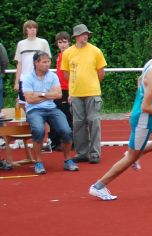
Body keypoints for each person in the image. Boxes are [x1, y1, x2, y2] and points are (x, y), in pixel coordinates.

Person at [89, 35, 152, 201]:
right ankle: (98, 186)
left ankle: (139, 152)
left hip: (146, 115)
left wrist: (135, 108)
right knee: (130, 158)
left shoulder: (151, 63)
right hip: (144, 119)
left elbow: (139, 81)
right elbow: (146, 106)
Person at [21, 52, 78, 174]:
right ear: (36, 63)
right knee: (38, 130)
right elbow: (30, 99)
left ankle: (68, 160)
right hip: (34, 110)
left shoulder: (53, 76)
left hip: (52, 108)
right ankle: (38, 162)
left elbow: (58, 95)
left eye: (48, 62)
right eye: (44, 62)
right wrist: (48, 95)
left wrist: (40, 94)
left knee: (66, 130)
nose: (47, 64)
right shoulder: (27, 78)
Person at [60, 24, 107, 164]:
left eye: (86, 34)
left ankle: (95, 153)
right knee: (78, 124)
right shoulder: (67, 53)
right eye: (82, 34)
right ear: (76, 36)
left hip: (92, 92)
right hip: (76, 93)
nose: (85, 36)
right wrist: (75, 86)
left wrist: (92, 83)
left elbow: (101, 73)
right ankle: (81, 153)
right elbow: (66, 73)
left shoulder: (96, 51)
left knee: (94, 121)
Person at [13, 20, 51, 107]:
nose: (33, 29)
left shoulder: (43, 42)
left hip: (40, 79)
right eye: (30, 28)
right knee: (23, 103)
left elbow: (48, 61)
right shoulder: (21, 44)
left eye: (34, 27)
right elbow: (19, 64)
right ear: (25, 30)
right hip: (24, 79)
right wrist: (16, 82)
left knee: (41, 101)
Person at [48, 32, 73, 151]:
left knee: (68, 116)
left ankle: (69, 142)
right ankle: (57, 141)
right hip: (59, 89)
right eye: (60, 42)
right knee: (57, 115)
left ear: (69, 42)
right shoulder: (60, 55)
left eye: (64, 42)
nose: (62, 44)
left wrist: (71, 91)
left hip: (68, 90)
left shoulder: (70, 55)